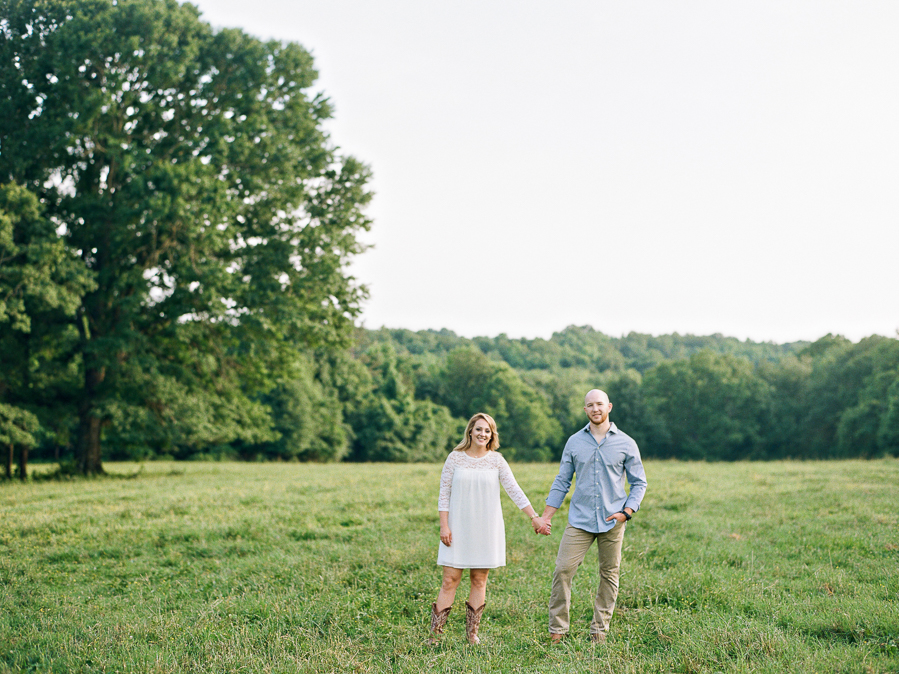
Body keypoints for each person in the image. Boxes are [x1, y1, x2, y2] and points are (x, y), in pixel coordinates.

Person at [429, 412, 551, 645]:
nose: (482, 434)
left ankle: (472, 634)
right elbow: (444, 493)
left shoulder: (497, 460)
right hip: (457, 527)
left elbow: (514, 490)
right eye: (478, 429)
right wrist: (444, 525)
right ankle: (436, 634)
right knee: (449, 580)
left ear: (492, 435)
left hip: (486, 527)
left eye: (487, 430)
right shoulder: (455, 458)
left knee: (479, 580)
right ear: (470, 432)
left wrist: (534, 517)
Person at [537, 389, 648, 644]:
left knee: (609, 573)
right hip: (580, 520)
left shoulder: (626, 443)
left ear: (609, 406)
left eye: (599, 404)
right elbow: (562, 481)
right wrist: (546, 516)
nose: (595, 408)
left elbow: (639, 483)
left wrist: (627, 512)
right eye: (590, 405)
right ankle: (558, 630)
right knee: (563, 570)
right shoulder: (574, 442)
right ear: (585, 410)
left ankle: (599, 630)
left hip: (613, 520)